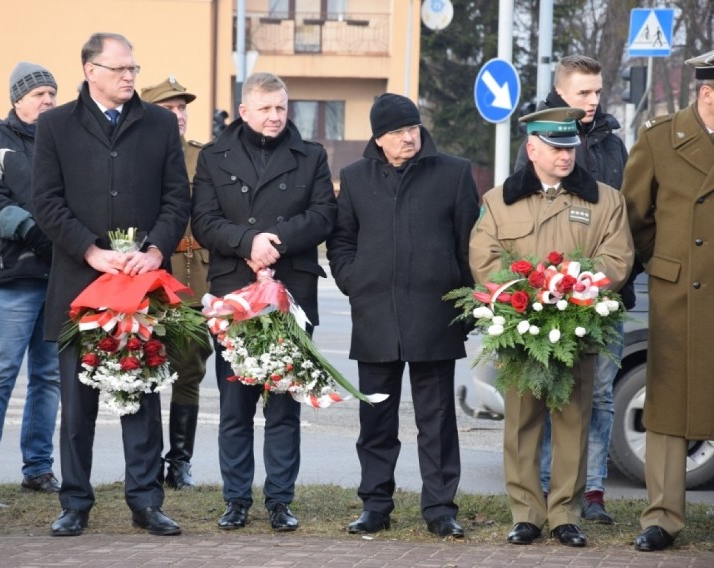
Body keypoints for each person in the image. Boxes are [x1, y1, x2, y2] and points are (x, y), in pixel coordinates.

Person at [32, 32, 190, 537]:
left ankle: (146, 501)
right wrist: (91, 250)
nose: (129, 76)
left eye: (133, 69)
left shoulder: (160, 123)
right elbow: (47, 201)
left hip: (142, 287)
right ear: (90, 70)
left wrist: (155, 250)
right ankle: (75, 501)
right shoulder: (55, 125)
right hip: (81, 286)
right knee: (77, 404)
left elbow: (176, 198)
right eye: (119, 68)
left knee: (140, 394)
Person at [470, 108, 633, 548]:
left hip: (575, 327)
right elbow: (484, 258)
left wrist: (571, 292)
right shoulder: (500, 200)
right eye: (556, 148)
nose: (566, 156)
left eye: (570, 148)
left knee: (574, 422)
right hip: (523, 328)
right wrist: (525, 296)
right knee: (521, 423)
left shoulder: (605, 200)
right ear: (532, 149)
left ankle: (564, 513)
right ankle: (526, 513)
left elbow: (616, 259)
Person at [327, 93, 478, 539]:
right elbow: (341, 240)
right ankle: (375, 505)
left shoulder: (453, 172)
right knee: (375, 419)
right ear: (378, 138)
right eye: (396, 132)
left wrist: (464, 302)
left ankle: (440, 508)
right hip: (375, 315)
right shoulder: (355, 177)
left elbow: (469, 243)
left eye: (412, 127)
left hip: (435, 315)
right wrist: (355, 281)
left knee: (436, 421)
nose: (408, 137)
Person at [191, 71, 336, 532]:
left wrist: (276, 241)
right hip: (235, 294)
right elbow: (204, 222)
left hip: (290, 294)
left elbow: (323, 216)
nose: (275, 117)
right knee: (234, 404)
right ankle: (235, 499)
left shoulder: (310, 156)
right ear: (245, 111)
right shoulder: (214, 158)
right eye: (266, 109)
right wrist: (247, 241)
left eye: (281, 108)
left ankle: (279, 501)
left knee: (283, 402)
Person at [514, 55, 632, 524]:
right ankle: (547, 488)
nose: (593, 101)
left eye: (598, 92)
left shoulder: (613, 144)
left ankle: (594, 491)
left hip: (605, 292)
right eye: (583, 92)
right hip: (549, 295)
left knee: (601, 394)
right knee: (551, 390)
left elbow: (626, 215)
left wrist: (609, 278)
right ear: (561, 92)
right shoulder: (540, 135)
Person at [621, 50, 714, 553]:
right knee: (669, 405)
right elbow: (635, 219)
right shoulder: (660, 139)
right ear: (707, 93)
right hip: (680, 295)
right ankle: (662, 517)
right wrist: (666, 264)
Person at [0, 62, 61, 499]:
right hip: (13, 274)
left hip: (60, 276)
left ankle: (39, 468)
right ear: (17, 98)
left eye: (51, 94)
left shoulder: (64, 138)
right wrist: (31, 231)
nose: (47, 101)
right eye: (38, 94)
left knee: (48, 377)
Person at [140, 76, 212, 489]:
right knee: (142, 365)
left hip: (192, 271)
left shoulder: (203, 158)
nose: (179, 115)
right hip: (147, 275)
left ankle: (179, 461)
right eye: (169, 109)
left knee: (189, 367)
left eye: (182, 108)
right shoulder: (136, 156)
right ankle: (146, 460)